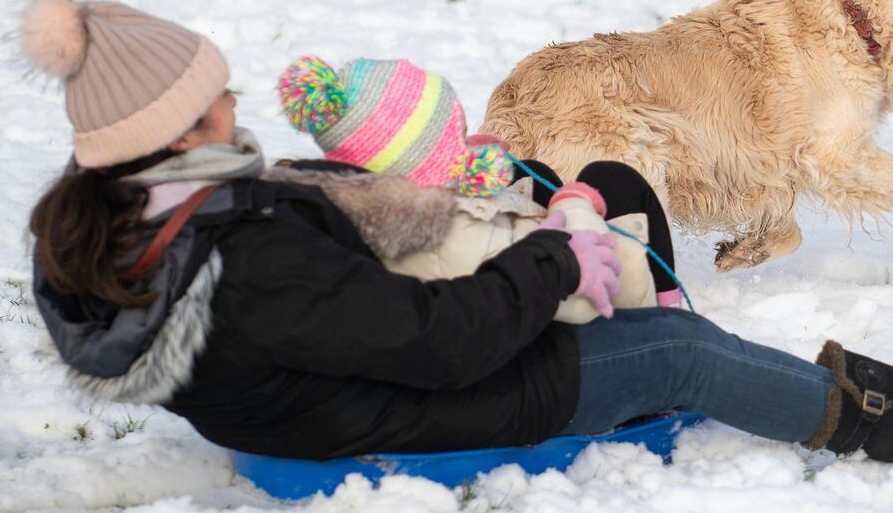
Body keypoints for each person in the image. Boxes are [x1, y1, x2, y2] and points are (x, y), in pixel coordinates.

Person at [25, 0, 893, 464]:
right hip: (377, 412)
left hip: (350, 365)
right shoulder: (241, 259)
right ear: (166, 134)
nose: (233, 112)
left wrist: (469, 197)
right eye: (212, 106)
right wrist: (553, 256)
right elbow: (439, 347)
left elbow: (336, 263)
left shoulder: (128, 209)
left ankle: (630, 273)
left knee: (607, 176)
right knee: (676, 350)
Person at [268, 54, 683, 323]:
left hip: (522, 270)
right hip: (590, 295)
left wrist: (461, 157)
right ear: (422, 157)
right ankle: (668, 322)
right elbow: (558, 280)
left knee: (532, 170)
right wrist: (574, 207)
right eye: (455, 134)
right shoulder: (450, 236)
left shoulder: (373, 204)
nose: (465, 144)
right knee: (614, 179)